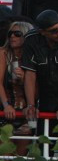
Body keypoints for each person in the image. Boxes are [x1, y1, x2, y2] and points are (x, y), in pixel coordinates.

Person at [22, 10, 58, 134]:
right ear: (42, 32)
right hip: (45, 94)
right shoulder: (31, 40)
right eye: (54, 31)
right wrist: (31, 105)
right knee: (45, 141)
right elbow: (30, 74)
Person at [0, 20, 33, 148]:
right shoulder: (3, 53)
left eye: (17, 33)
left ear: (26, 35)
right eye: (10, 34)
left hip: (25, 114)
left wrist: (25, 78)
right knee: (5, 158)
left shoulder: (31, 57)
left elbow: (38, 90)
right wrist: (6, 105)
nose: (12, 36)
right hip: (4, 112)